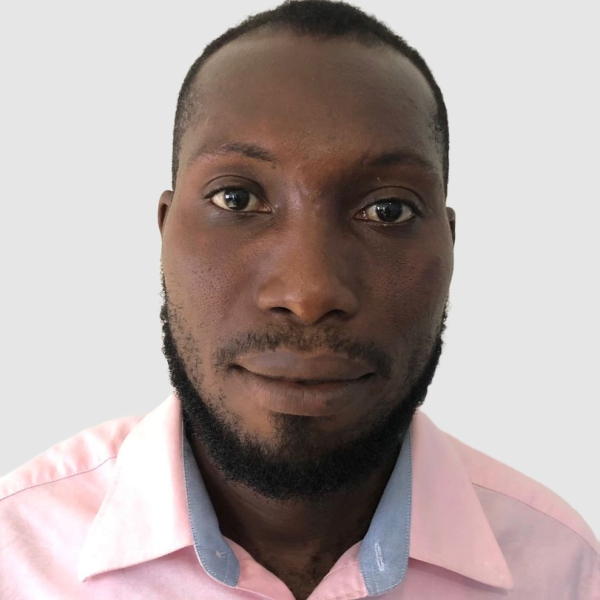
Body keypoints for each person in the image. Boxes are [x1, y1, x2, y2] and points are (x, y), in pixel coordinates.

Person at [0, 0, 598, 598]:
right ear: (165, 230)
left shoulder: (560, 570)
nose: (309, 294)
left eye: (388, 210)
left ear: (449, 243)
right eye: (236, 198)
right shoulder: (17, 556)